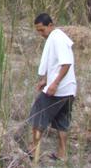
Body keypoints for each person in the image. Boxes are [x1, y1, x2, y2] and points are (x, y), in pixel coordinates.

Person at [27, 13, 77, 162]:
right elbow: (56, 64)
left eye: (42, 30)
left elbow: (66, 63)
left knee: (38, 114)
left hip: (59, 90)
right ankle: (62, 154)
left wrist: (54, 83)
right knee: (62, 122)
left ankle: (33, 150)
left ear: (50, 25)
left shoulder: (57, 38)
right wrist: (46, 80)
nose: (41, 34)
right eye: (38, 31)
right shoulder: (57, 38)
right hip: (69, 90)